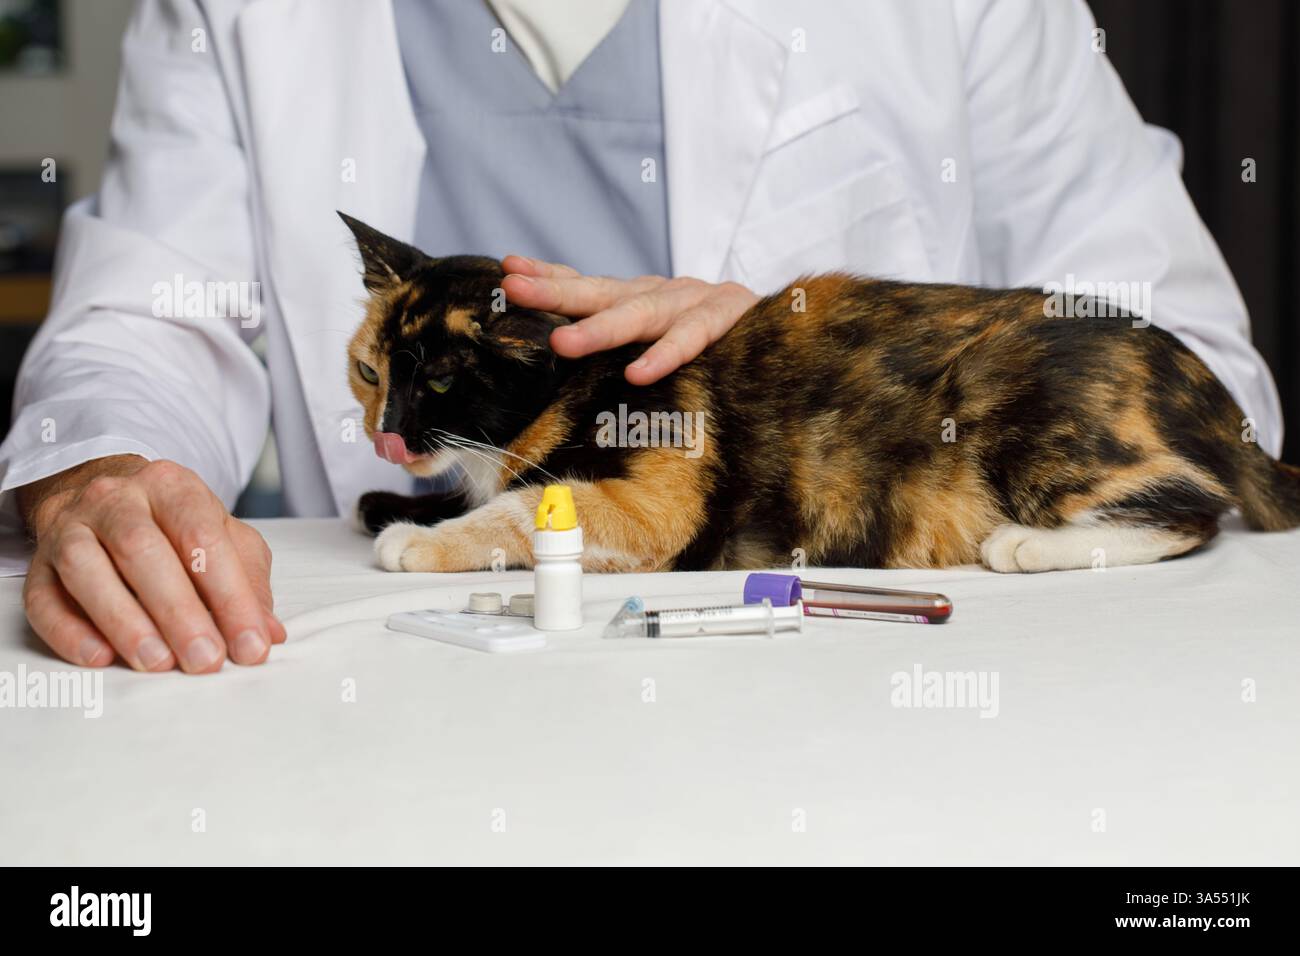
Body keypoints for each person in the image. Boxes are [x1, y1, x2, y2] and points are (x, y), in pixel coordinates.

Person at [0, 0, 1282, 674]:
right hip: (415, 672)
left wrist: (830, 346)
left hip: (860, 669)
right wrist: (101, 472)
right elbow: (151, 316)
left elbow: (1196, 370)